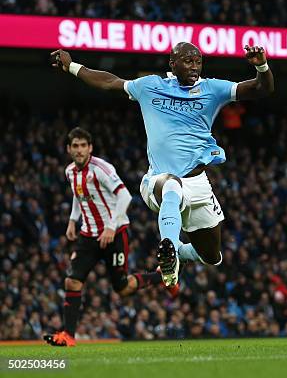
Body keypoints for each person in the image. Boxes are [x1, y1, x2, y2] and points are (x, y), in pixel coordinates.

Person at [51, 43, 274, 287]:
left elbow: (261, 88)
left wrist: (261, 65)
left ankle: (178, 251)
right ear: (172, 63)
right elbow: (109, 82)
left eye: (198, 61)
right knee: (171, 185)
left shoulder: (212, 89)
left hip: (197, 184)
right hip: (158, 181)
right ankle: (168, 247)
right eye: (188, 61)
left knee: (212, 256)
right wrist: (71, 66)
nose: (194, 67)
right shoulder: (150, 86)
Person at [44, 127, 176, 347]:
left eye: (83, 145)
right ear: (69, 149)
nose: (79, 150)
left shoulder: (101, 169)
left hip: (114, 234)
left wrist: (111, 227)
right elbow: (79, 196)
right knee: (72, 280)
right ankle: (68, 335)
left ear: (90, 148)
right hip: (88, 235)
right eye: (75, 146)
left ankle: (160, 277)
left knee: (122, 288)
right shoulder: (70, 172)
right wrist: (72, 220)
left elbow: (125, 196)